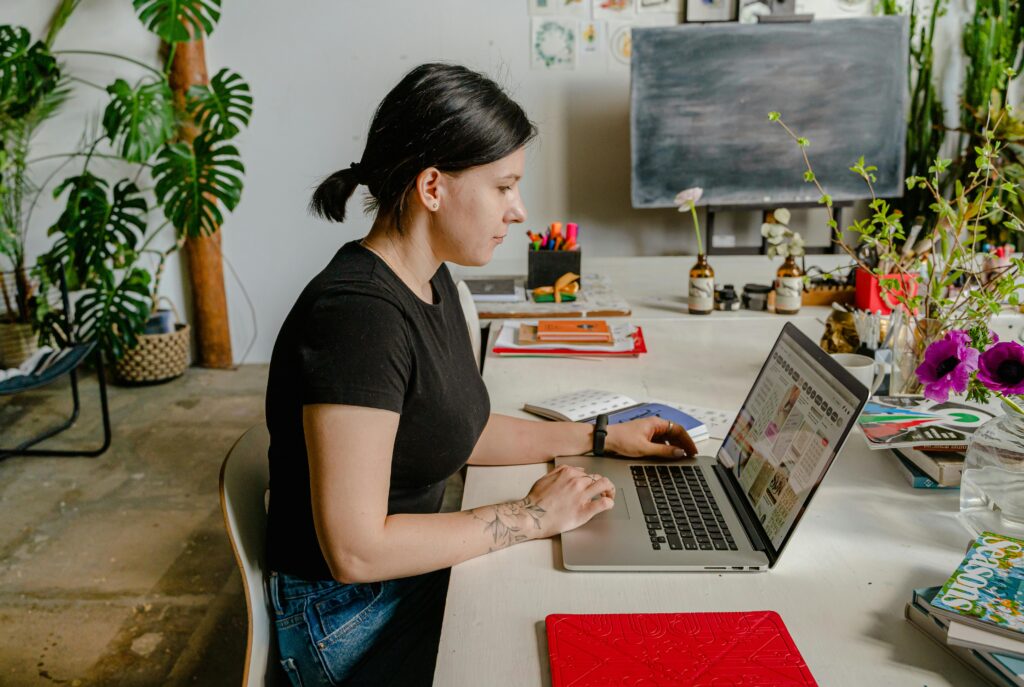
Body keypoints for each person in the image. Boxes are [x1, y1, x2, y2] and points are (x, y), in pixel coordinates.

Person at [264, 62, 697, 687]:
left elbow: (452, 428)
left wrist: (600, 436)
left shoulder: (428, 276)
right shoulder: (357, 318)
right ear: (433, 187)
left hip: (395, 579)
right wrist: (530, 516)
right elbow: (355, 550)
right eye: (503, 187)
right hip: (344, 618)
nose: (519, 210)